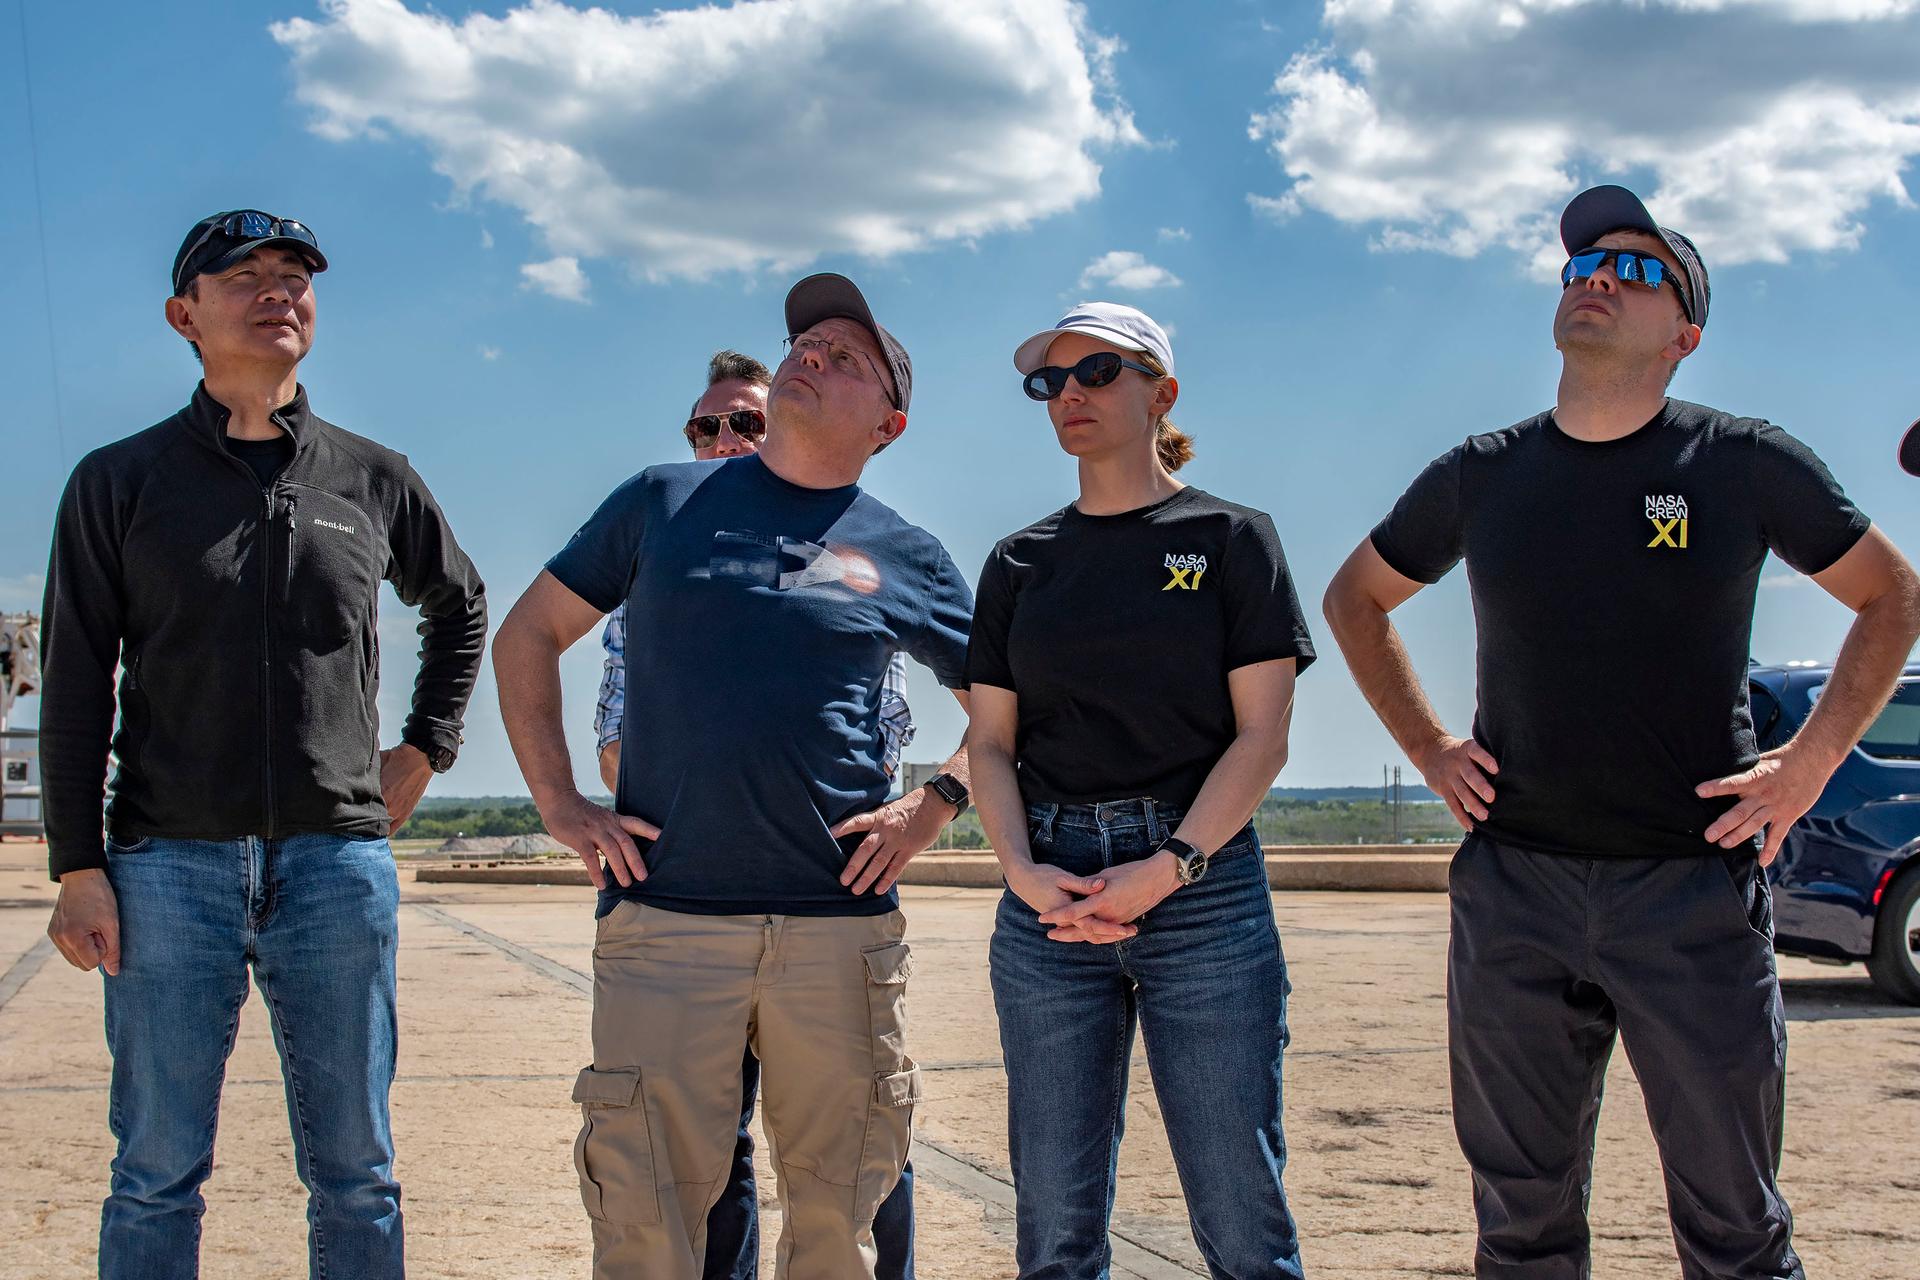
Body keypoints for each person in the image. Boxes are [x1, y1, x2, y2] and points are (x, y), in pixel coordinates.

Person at [1322, 184, 1920, 1278]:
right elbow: (1355, 597)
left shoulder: (1742, 462)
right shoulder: (1482, 472)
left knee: (1737, 1231)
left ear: (1684, 336)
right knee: (1520, 1235)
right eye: (1584, 263)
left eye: (1636, 268)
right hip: (1516, 891)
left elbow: (1893, 595)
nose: (1597, 275)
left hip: (1690, 888)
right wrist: (1428, 745)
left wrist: (1811, 760)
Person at [493, 273, 972, 1280]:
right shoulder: (660, 500)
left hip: (837, 935)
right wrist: (559, 800)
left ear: (888, 423)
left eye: (847, 355)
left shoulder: (906, 551)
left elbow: (1015, 704)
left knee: (836, 1231)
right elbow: (529, 633)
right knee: (643, 1227)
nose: (811, 354)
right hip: (664, 929)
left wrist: (937, 803)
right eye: (806, 341)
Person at [40, 209, 488, 1279]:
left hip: (338, 865)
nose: (277, 290)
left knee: (357, 1171)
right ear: (183, 314)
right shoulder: (121, 480)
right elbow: (72, 680)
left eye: (294, 276)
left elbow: (460, 603)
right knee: (155, 1170)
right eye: (243, 276)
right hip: (166, 869)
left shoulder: (369, 476)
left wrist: (425, 746)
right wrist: (76, 864)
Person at [967, 302, 1315, 1278]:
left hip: (1201, 891)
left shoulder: (1232, 537)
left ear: (1161, 391)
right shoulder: (1019, 561)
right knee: (1055, 1228)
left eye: (1098, 371)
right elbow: (989, 743)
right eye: (1051, 381)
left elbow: (1263, 734)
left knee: (1243, 1217)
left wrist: (1171, 866)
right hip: (1049, 902)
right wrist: (1025, 871)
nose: (1070, 393)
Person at [589, 348, 921, 1280]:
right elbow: (615, 725)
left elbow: (885, 721)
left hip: (825, 906)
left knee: (849, 1178)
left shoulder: (861, 554)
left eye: (748, 421)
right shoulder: (655, 542)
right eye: (708, 427)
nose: (728, 440)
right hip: (673, 903)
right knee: (682, 1177)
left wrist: (919, 810)